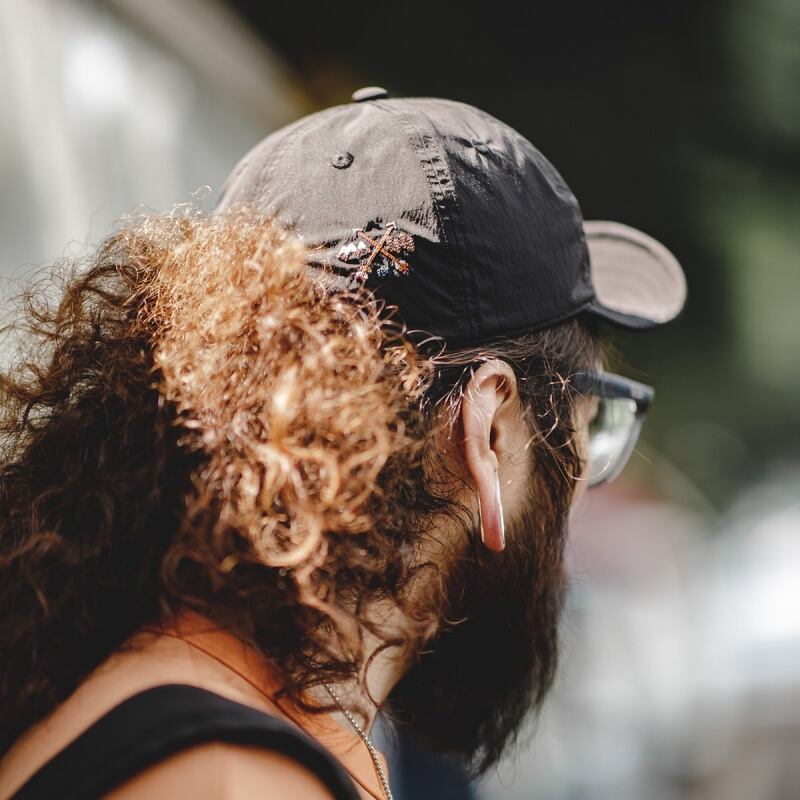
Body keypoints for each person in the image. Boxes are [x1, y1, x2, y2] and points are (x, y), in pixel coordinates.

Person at [0, 88, 686, 800]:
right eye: (586, 427)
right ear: (488, 428)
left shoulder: (178, 688)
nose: (581, 486)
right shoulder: (238, 774)